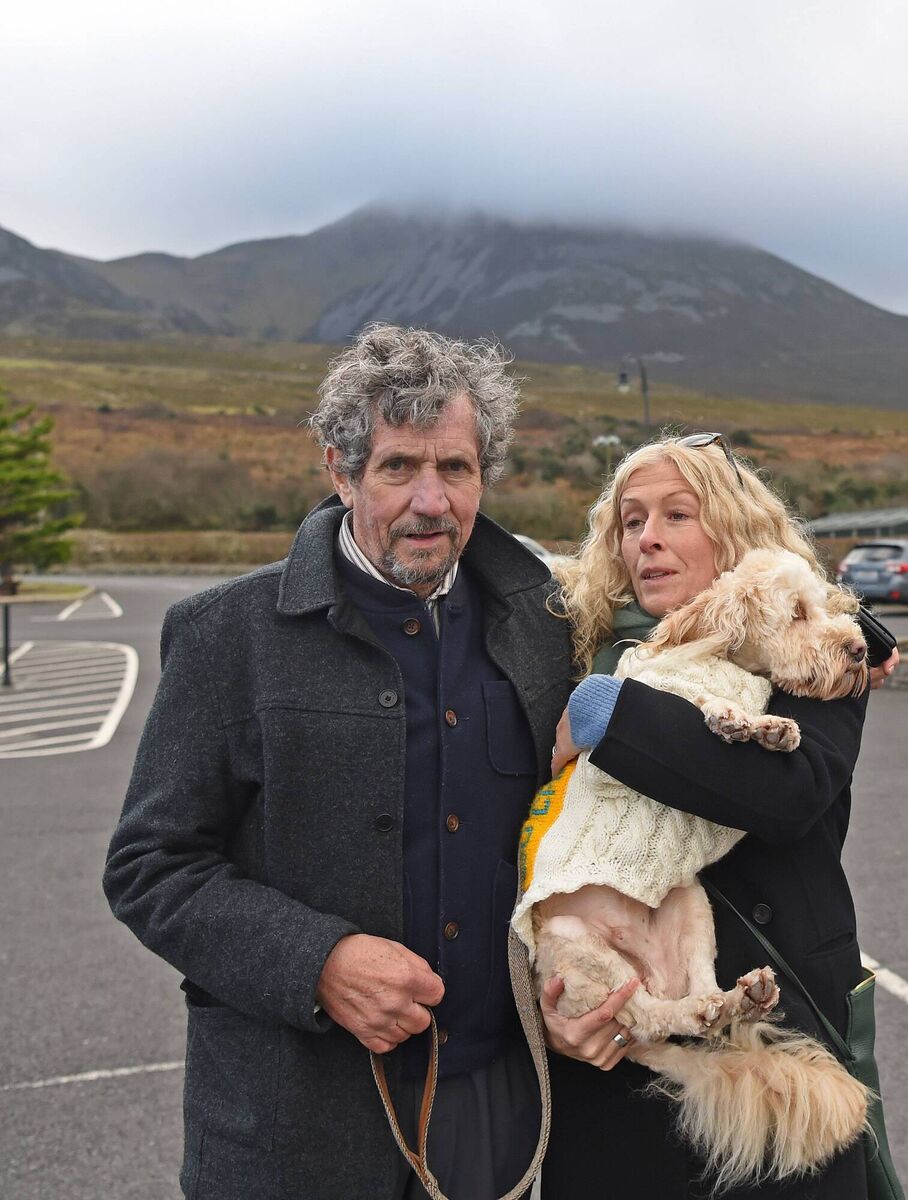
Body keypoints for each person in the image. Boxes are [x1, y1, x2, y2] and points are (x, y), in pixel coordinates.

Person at [103, 323, 645, 1200]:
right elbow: (149, 866)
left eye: (456, 468)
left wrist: (850, 648)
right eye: (398, 467)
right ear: (341, 471)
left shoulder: (548, 625)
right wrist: (316, 962)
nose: (431, 500)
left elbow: (692, 622)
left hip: (493, 1106)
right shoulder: (227, 636)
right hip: (289, 1126)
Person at [537, 434, 895, 1199]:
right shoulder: (583, 653)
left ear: (734, 531)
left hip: (785, 1059)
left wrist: (608, 712)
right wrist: (553, 1013)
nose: (648, 538)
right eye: (631, 521)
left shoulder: (819, 659)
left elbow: (784, 794)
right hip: (618, 1076)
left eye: (677, 514)